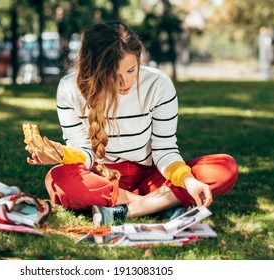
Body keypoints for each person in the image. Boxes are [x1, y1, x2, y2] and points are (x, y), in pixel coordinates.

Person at [25, 21, 238, 226]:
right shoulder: (69, 89)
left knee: (224, 167)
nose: (125, 83)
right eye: (113, 74)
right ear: (95, 69)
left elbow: (164, 150)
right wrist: (61, 154)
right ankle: (160, 204)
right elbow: (85, 154)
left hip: (151, 176)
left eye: (131, 70)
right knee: (57, 179)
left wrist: (188, 181)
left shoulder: (158, 84)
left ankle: (128, 210)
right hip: (102, 178)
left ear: (139, 60)